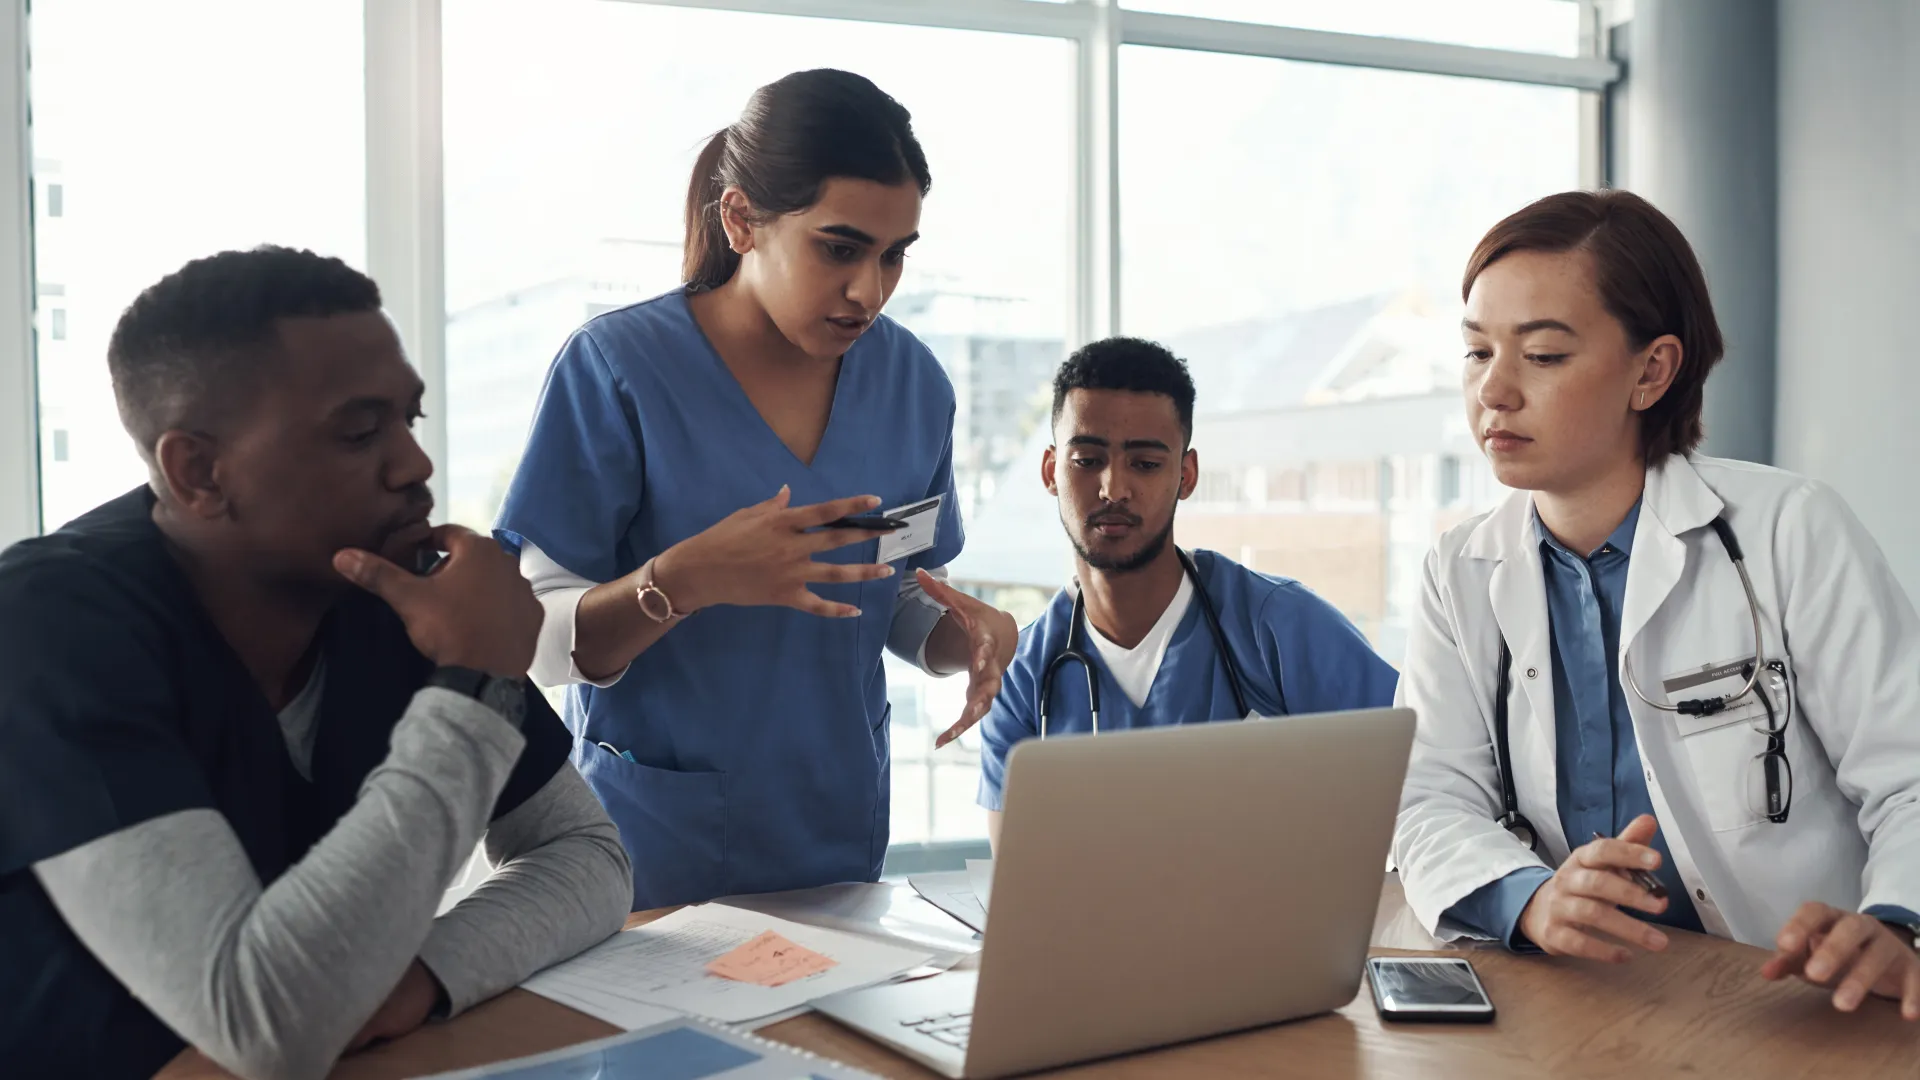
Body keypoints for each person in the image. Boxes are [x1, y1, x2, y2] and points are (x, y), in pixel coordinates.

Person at [0, 247, 634, 1079]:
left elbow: (590, 856)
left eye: (411, 420)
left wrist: (418, 977)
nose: (414, 466)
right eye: (360, 431)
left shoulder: (395, 592)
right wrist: (475, 684)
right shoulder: (51, 626)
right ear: (198, 473)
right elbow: (264, 1022)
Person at [494, 69, 1018, 911]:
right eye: (839, 249)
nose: (869, 290)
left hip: (840, 842)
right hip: (654, 851)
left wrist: (968, 637)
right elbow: (530, 642)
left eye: (894, 256)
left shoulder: (914, 382)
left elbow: (893, 594)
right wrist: (682, 582)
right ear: (741, 220)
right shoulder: (618, 370)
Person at [1392, 189, 1920, 1020]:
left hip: (1796, 1002)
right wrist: (1527, 898)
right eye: (1476, 352)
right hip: (1587, 1003)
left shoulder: (1789, 529)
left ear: (1652, 370)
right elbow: (1427, 798)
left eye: (1543, 356)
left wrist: (1901, 922)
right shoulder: (1460, 568)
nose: (1493, 392)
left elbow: (1910, 773)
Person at [974, 338, 1401, 847]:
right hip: (1095, 927)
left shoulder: (1277, 625)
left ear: (1187, 474)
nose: (1114, 488)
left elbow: (1418, 783)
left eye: (1146, 464)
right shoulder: (1024, 676)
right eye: (1087, 460)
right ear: (1051, 472)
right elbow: (1023, 884)